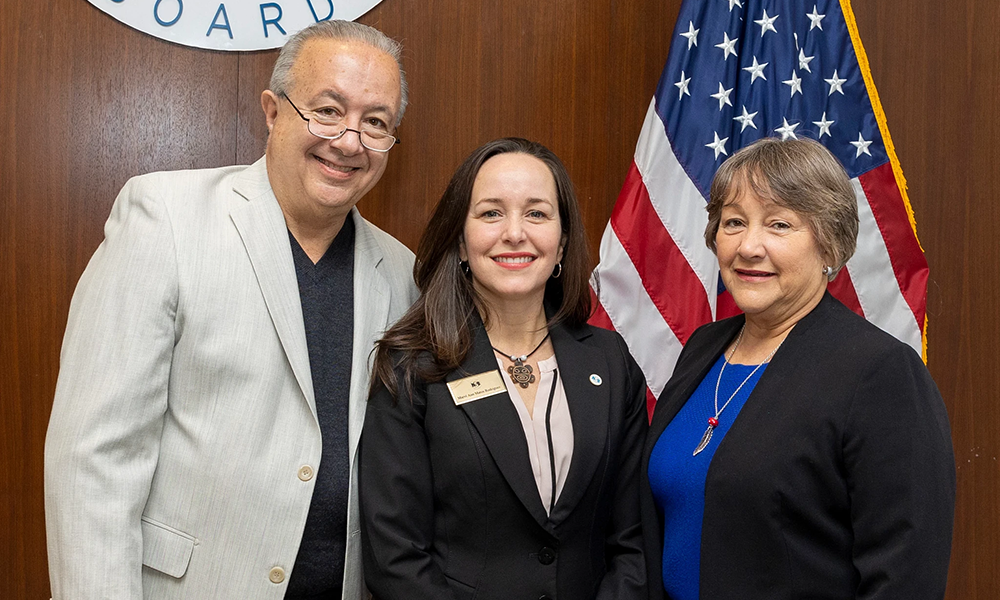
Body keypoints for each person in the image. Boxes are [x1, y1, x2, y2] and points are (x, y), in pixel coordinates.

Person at [44, 20, 418, 600]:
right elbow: (93, 463)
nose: (349, 141)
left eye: (376, 123)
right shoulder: (164, 219)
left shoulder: (401, 273)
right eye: (328, 110)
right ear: (273, 112)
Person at [640, 137, 956, 600]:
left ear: (829, 245)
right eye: (733, 222)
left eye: (780, 224)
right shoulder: (705, 349)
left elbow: (905, 575)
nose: (749, 246)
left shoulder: (880, 372)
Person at [358, 138, 648, 600]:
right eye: (491, 213)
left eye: (536, 213)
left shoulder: (611, 363)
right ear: (459, 240)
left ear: (563, 239)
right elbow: (396, 558)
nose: (515, 233)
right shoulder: (412, 368)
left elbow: (633, 544)